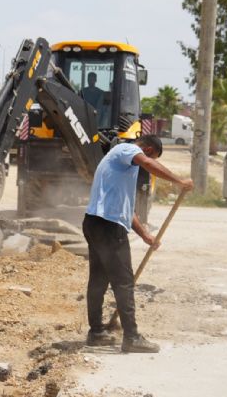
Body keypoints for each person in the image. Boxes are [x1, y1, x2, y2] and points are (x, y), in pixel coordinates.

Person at [83, 134, 193, 353]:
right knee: (124, 282)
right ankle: (131, 337)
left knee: (99, 279)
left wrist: (145, 235)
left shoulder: (120, 169)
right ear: (149, 149)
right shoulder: (126, 150)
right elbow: (146, 162)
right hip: (108, 227)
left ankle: (96, 332)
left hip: (95, 223)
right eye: (151, 156)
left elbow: (127, 210)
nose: (146, 164)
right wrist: (179, 181)